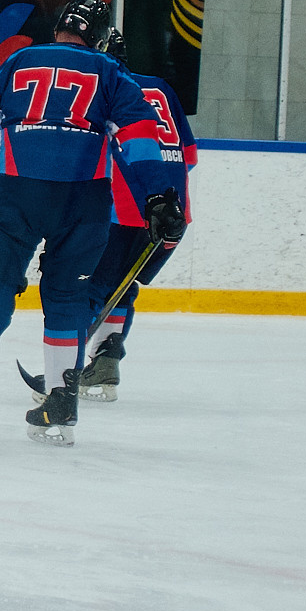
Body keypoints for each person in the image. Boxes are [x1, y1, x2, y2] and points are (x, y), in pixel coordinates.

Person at [0, 0, 186, 450]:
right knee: (67, 298)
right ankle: (60, 404)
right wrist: (161, 198)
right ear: (99, 37)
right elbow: (142, 137)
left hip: (17, 196)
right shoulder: (110, 72)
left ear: (59, 27)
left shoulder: (18, 61)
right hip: (83, 202)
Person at [76, 29, 198, 401]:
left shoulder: (102, 89)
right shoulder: (160, 87)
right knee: (124, 284)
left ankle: (61, 373)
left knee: (90, 288)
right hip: (173, 215)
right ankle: (106, 360)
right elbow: (188, 156)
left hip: (122, 211)